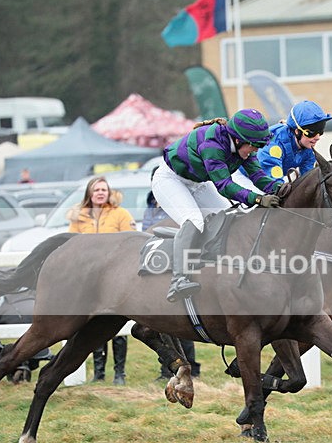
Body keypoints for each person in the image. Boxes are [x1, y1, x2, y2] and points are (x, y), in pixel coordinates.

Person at [150, 108, 282, 303]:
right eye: (254, 147)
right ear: (238, 140)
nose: (256, 151)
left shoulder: (243, 144)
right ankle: (179, 279)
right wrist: (258, 199)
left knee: (229, 215)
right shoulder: (212, 144)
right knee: (194, 221)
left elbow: (258, 176)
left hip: (198, 182)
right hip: (170, 180)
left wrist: (282, 188)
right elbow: (225, 186)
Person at [68, 176, 136, 385]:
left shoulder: (120, 214)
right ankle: (99, 373)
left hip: (115, 277)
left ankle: (119, 373)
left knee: (118, 322)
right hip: (90, 278)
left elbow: (132, 241)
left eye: (103, 189)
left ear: (109, 192)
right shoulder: (79, 217)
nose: (100, 192)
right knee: (92, 324)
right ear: (89, 192)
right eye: (96, 189)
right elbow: (72, 245)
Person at [256, 100, 332, 181]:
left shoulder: (308, 149)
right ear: (297, 131)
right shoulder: (274, 145)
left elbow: (307, 180)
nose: (317, 137)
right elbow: (273, 183)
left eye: (320, 132)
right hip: (249, 178)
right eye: (312, 133)